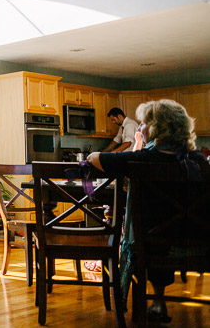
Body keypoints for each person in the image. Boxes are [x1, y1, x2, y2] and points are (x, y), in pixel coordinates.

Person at [88, 99, 208, 323]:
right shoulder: (199, 160)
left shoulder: (141, 158)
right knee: (164, 226)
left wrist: (139, 143)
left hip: (155, 244)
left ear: (156, 128)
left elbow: (95, 158)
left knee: (152, 231)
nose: (140, 127)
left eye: (143, 123)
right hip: (198, 241)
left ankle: (157, 301)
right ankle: (158, 301)